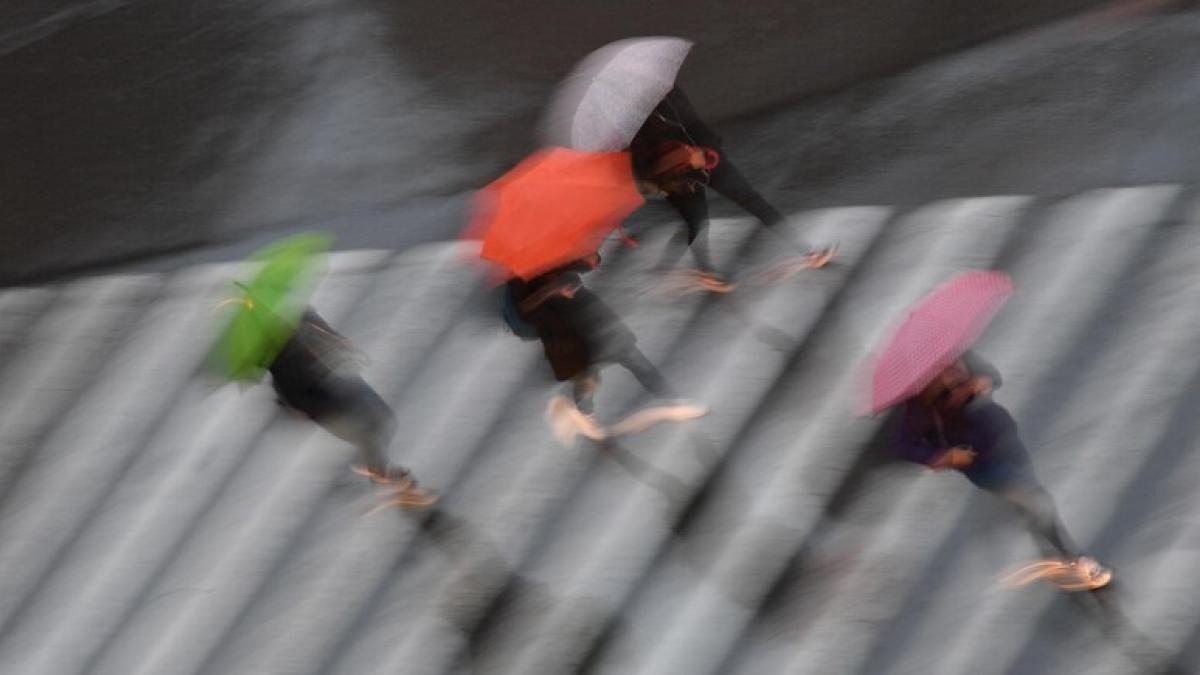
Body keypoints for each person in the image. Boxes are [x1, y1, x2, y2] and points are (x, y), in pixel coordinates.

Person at [892, 352, 1111, 591]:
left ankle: (1054, 547)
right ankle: (1077, 561)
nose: (938, 372)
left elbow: (992, 375)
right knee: (1038, 501)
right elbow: (905, 445)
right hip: (983, 462)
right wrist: (941, 456)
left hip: (1007, 444)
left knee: (1033, 502)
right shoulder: (918, 403)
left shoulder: (955, 357)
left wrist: (982, 380)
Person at [628, 86, 836, 292]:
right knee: (697, 221)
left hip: (709, 162)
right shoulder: (634, 118)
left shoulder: (669, 93)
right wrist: (677, 162)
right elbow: (643, 164)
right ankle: (705, 272)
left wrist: (706, 152)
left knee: (753, 203)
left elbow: (693, 123)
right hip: (678, 179)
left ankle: (808, 251)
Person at [504, 253, 707, 443]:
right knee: (590, 377)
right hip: (572, 334)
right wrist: (551, 291)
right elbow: (525, 309)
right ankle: (584, 416)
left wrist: (590, 259)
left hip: (596, 317)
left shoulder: (554, 253)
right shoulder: (518, 278)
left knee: (636, 362)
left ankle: (672, 400)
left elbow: (583, 266)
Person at [268, 307, 437, 508]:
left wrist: (337, 342)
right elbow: (291, 393)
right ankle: (389, 479)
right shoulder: (278, 354)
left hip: (333, 383)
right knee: (373, 428)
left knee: (381, 423)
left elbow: (318, 327)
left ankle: (384, 476)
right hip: (326, 398)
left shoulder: (292, 321)